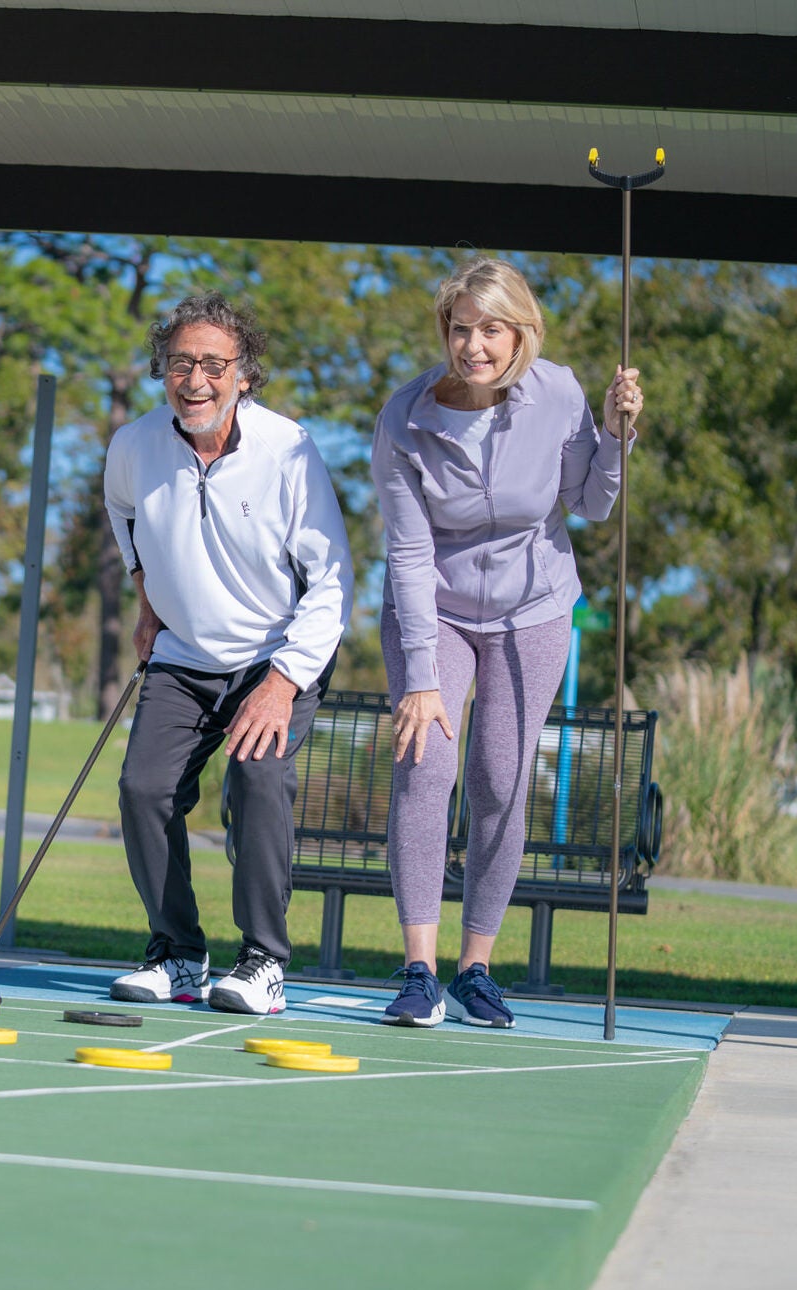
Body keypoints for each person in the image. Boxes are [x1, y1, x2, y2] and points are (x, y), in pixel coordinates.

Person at [370, 256, 643, 1029]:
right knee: (427, 764)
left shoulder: (557, 392)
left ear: (521, 332)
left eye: (493, 330)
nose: (476, 346)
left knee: (500, 776)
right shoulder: (405, 418)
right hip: (438, 608)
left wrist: (619, 436)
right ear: (445, 332)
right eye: (463, 329)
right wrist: (421, 676)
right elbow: (410, 556)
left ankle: (476, 968)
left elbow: (590, 504)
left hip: (535, 608)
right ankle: (419, 969)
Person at [103, 292, 353, 1015]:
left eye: (214, 364)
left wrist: (280, 683)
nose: (196, 379)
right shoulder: (133, 446)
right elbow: (125, 515)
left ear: (245, 374)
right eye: (181, 362)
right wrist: (147, 595)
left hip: (276, 655)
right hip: (184, 656)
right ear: (163, 371)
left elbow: (333, 578)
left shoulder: (290, 450)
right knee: (142, 791)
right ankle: (178, 953)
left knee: (257, 778)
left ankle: (263, 960)